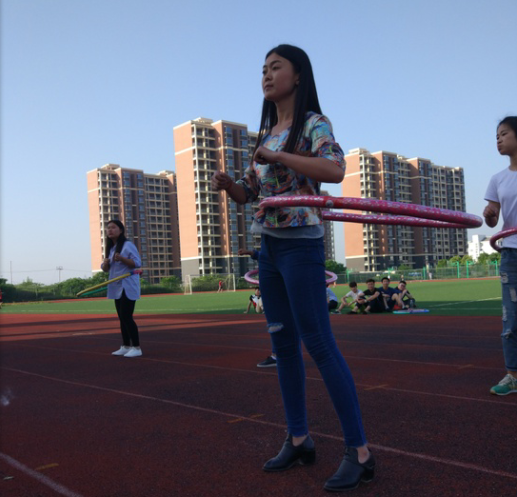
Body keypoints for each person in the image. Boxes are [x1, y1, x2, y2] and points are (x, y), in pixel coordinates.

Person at [212, 44, 373, 491]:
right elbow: (251, 194)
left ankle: (360, 452)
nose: (266, 75)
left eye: (275, 67)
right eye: (262, 69)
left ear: (298, 75)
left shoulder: (313, 124)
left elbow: (334, 170)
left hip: (301, 246)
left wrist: (280, 156)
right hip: (269, 249)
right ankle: (299, 439)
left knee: (320, 344)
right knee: (283, 347)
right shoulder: (266, 133)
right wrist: (229, 186)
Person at [483, 115, 517, 396]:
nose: (498, 140)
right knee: (511, 317)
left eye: (504, 134)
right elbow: (493, 219)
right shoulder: (498, 179)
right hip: (511, 252)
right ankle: (513, 375)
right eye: (496, 136)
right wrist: (489, 215)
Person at [101, 220, 142, 358]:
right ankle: (125, 346)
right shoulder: (111, 248)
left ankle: (136, 347)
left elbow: (137, 263)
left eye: (113, 227)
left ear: (121, 230)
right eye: (108, 228)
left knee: (126, 316)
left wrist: (122, 259)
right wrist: (105, 263)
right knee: (121, 317)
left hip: (127, 285)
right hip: (116, 286)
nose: (110, 230)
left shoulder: (127, 245)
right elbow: (105, 269)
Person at [238, 247, 276, 368]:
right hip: (274, 294)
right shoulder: (271, 251)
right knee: (276, 324)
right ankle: (277, 355)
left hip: (282, 290)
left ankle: (278, 355)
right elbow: (267, 257)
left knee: (280, 324)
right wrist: (252, 253)